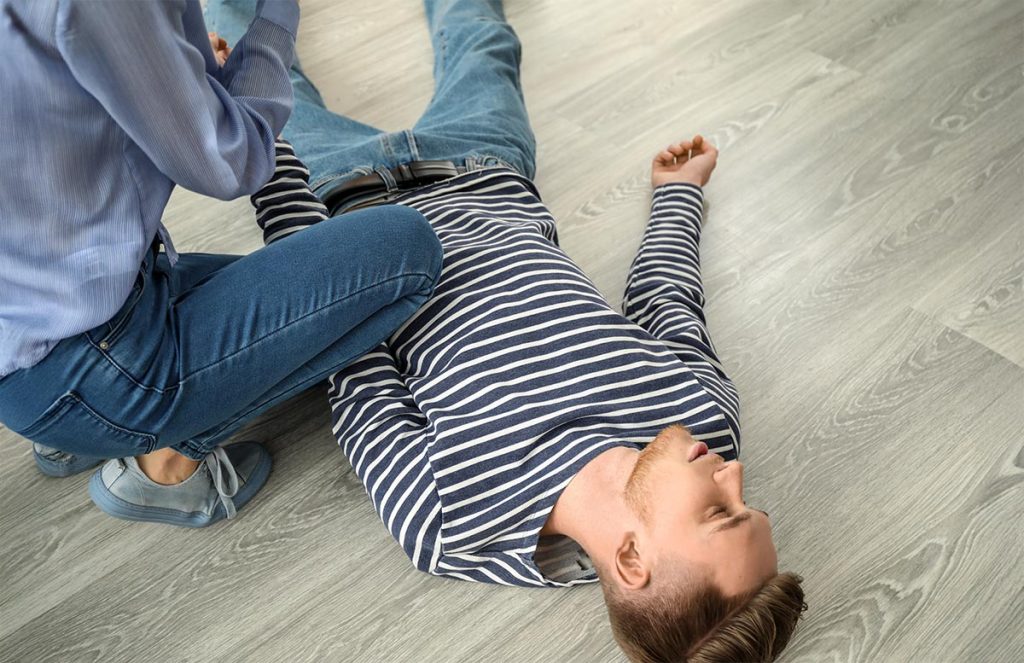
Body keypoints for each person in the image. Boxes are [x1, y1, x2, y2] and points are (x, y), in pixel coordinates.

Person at [218, 0, 808, 660]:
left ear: (633, 557)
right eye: (748, 502)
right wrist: (678, 193)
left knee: (254, 63)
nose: (736, 473)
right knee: (482, 36)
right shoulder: (704, 421)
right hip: (484, 163)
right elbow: (666, 300)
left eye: (720, 510)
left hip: (334, 191)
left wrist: (263, 154)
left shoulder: (450, 521)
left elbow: (339, 339)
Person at [0, 0, 443, 527]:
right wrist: (277, 18)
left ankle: (72, 431)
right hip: (95, 360)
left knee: (311, 292)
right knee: (403, 251)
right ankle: (164, 464)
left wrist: (176, 71)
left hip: (29, 334)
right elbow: (236, 161)